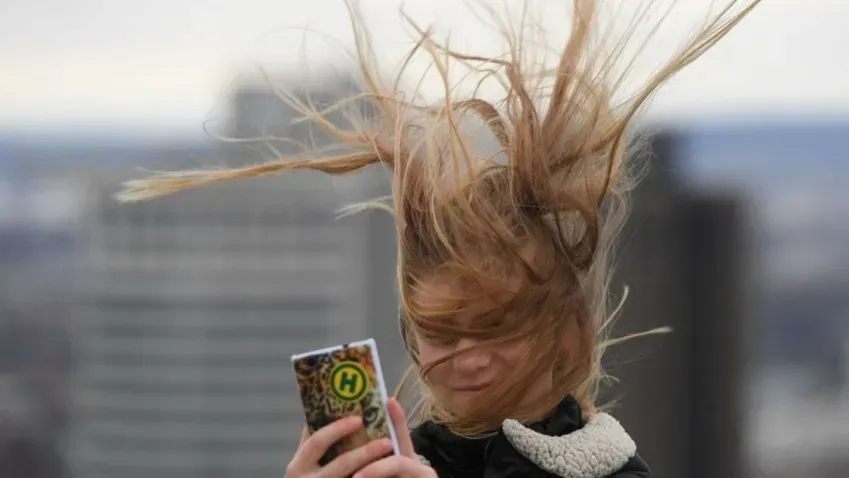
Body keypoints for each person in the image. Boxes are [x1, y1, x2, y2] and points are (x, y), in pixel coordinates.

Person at [117, 0, 762, 476]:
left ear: (570, 332)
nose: (468, 357)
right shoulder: (400, 463)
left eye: (498, 327)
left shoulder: (608, 469)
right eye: (442, 332)